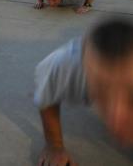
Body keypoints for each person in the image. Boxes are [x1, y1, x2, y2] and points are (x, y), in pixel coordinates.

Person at [35, 17, 133, 166]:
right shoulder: (62, 65)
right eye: (102, 89)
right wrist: (55, 146)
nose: (116, 117)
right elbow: (46, 97)